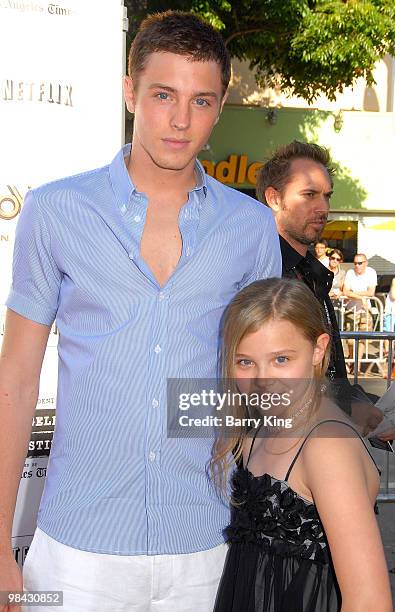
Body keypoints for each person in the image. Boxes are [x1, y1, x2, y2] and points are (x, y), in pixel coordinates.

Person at [0, 11, 281, 612]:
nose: (181, 120)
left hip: (207, 546)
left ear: (222, 103)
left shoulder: (251, 227)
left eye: (201, 100)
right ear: (130, 91)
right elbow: (16, 383)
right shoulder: (55, 212)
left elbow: (263, 390)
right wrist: (0, 545)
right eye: (163, 95)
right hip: (75, 550)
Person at [212, 277, 393, 612]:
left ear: (319, 349)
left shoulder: (326, 447)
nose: (263, 380)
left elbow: (370, 601)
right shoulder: (262, 426)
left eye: (281, 359)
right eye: (245, 362)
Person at [255, 141, 395, 435]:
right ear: (274, 198)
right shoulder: (259, 273)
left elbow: (329, 375)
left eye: (327, 196)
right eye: (309, 195)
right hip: (279, 454)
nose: (323, 208)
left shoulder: (311, 272)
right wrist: (347, 409)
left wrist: (362, 406)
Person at [342, 254, 377, 369]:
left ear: (366, 263)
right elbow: (345, 291)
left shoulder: (371, 272)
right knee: (351, 340)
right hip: (351, 309)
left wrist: (354, 294)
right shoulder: (350, 273)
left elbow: (371, 292)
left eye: (360, 263)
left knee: (362, 338)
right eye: (355, 263)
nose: (357, 265)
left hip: (365, 310)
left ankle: (357, 364)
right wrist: (361, 297)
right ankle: (352, 359)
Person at [328, 248, 346, 329]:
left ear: (340, 261)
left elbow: (344, 290)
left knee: (337, 330)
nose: (335, 260)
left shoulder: (342, 273)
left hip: (337, 306)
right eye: (333, 258)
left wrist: (340, 293)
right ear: (329, 258)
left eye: (338, 259)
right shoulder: (321, 271)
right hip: (324, 305)